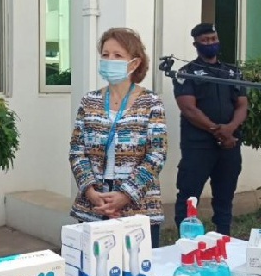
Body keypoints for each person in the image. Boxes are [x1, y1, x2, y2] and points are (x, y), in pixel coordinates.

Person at [69, 28, 167, 248]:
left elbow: (157, 155)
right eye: (105, 54)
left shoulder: (151, 102)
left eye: (118, 55)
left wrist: (126, 194)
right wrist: (91, 192)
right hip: (93, 206)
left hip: (138, 207)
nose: (109, 60)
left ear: (134, 63)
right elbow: (77, 151)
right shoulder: (89, 101)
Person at [173, 23, 247, 236]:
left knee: (225, 195)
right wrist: (217, 130)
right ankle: (186, 240)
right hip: (198, 146)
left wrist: (230, 129)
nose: (210, 44)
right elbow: (188, 108)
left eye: (213, 39)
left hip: (230, 144)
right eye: (205, 40)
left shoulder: (232, 71)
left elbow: (242, 104)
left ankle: (224, 238)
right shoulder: (186, 72)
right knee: (189, 195)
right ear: (196, 44)